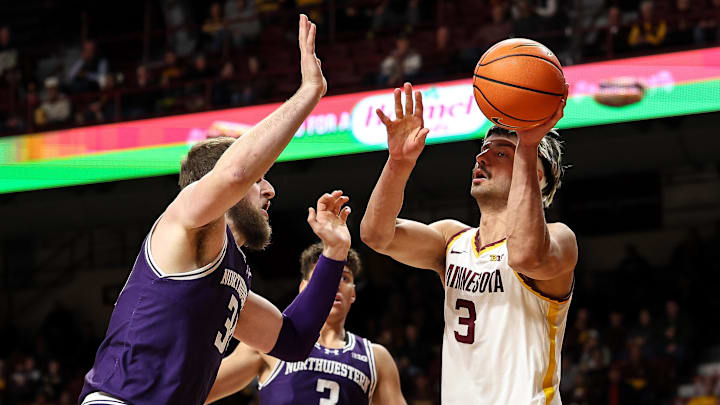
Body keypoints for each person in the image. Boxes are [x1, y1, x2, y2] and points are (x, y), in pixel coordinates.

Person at [79, 15, 348, 405]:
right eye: (261, 180)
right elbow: (236, 172)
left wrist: (334, 253)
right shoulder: (186, 218)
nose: (269, 190)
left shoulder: (229, 275)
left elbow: (292, 339)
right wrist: (309, 93)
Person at [360, 82, 576, 404]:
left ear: (538, 175)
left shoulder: (560, 237)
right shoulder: (452, 239)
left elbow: (526, 257)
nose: (482, 158)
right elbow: (376, 235)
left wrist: (528, 146)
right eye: (482, 151)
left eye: (501, 152)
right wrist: (398, 164)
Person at [205, 243, 406, 405]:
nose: (334, 283)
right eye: (324, 277)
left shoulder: (376, 358)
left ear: (353, 292)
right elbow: (197, 392)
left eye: (344, 277)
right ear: (304, 288)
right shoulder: (266, 344)